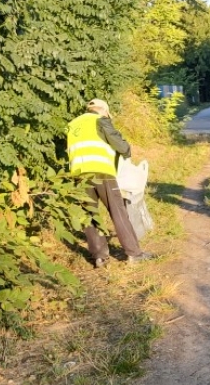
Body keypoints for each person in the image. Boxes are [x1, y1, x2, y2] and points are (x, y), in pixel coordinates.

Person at [66, 99, 155, 268]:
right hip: (102, 173)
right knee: (117, 211)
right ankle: (134, 254)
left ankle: (99, 257)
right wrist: (126, 150)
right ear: (104, 111)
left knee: (89, 215)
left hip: (79, 176)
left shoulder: (72, 124)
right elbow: (122, 147)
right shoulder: (100, 120)